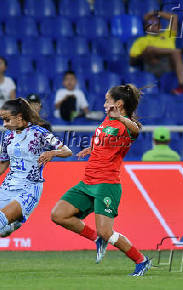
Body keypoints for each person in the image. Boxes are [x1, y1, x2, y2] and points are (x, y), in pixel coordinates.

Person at [51, 84, 153, 276]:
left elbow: (137, 131)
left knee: (107, 232)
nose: (104, 103)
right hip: (88, 182)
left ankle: (141, 260)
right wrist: (92, 149)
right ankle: (97, 239)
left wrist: (120, 117)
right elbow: (105, 139)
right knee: (58, 214)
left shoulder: (126, 123)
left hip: (107, 184)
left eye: (108, 100)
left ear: (119, 103)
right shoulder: (107, 120)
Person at [0, 98, 72, 275]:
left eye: (7, 119)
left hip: (30, 187)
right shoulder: (8, 136)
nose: (4, 124)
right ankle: (11, 225)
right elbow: (3, 163)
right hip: (8, 186)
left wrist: (52, 152)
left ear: (20, 118)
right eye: (2, 120)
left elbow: (67, 151)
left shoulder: (40, 133)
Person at [129, 11, 183, 95]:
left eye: (156, 23)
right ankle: (182, 51)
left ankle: (181, 87)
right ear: (145, 27)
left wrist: (155, 12)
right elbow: (132, 61)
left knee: (176, 54)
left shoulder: (167, 35)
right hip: (152, 64)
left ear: (160, 26)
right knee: (149, 49)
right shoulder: (141, 40)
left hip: (169, 65)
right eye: (150, 23)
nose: (153, 25)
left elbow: (174, 18)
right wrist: (146, 54)